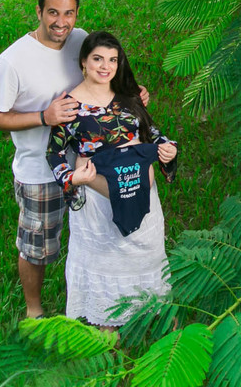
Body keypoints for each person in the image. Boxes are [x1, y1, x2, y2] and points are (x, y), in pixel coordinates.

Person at [0, 0, 147, 319]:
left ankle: (101, 305)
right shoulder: (12, 62)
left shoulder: (79, 40)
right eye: (53, 13)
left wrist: (132, 96)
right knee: (39, 247)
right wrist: (45, 116)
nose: (61, 22)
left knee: (98, 237)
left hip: (94, 163)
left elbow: (101, 77)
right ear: (39, 12)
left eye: (69, 13)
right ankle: (34, 311)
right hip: (41, 172)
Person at [46, 31, 179, 326]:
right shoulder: (69, 107)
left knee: (146, 258)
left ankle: (151, 311)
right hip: (98, 204)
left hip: (142, 195)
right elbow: (54, 155)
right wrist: (73, 179)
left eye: (112, 60)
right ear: (83, 62)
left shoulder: (129, 99)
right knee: (106, 264)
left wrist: (168, 150)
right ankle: (107, 321)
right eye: (97, 59)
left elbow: (152, 135)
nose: (105, 67)